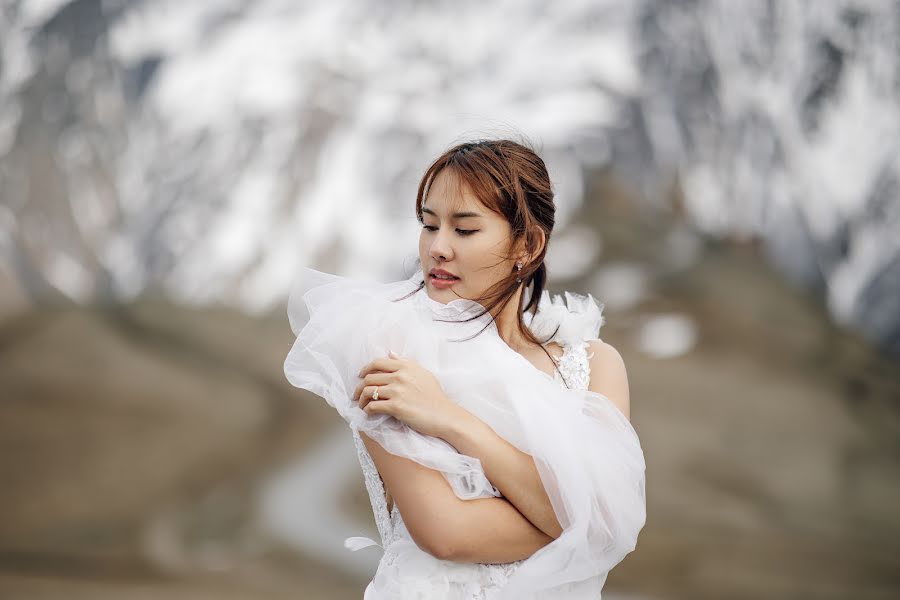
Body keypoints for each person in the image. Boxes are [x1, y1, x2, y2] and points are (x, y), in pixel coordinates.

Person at [284, 139, 646, 599]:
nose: (437, 247)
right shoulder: (390, 349)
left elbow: (611, 523)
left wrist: (453, 421)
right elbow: (447, 533)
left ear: (528, 245)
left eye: (465, 230)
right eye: (429, 225)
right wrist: (585, 525)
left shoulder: (594, 366)